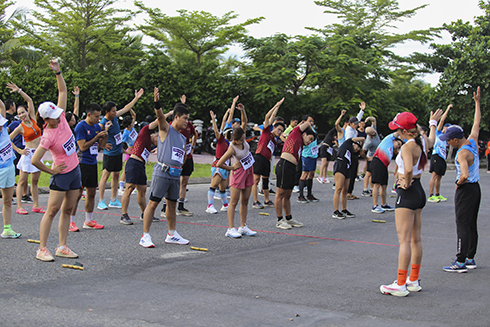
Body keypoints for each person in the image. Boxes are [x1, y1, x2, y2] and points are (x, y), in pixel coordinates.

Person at [380, 109, 442, 296]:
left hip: (408, 193)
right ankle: (413, 280)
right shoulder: (421, 140)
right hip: (419, 191)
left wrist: (405, 182)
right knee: (416, 239)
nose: (396, 133)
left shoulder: (407, 147)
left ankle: (400, 284)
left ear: (406, 132)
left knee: (404, 241)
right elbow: (432, 140)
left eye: (398, 130)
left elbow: (407, 169)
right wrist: (433, 123)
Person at [31, 60, 81, 261]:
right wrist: (51, 171)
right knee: (52, 211)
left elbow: (63, 93)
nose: (59, 117)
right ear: (46, 120)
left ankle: (62, 246)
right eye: (53, 116)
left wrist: (58, 71)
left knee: (68, 210)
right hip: (61, 175)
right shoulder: (48, 136)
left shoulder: (60, 118)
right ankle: (42, 249)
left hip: (75, 170)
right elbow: (35, 160)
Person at [139, 88, 190, 248]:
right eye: (185, 118)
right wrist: (157, 102)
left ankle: (172, 234)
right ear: (176, 117)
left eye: (188, 119)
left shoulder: (182, 137)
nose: (187, 122)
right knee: (153, 203)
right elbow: (160, 116)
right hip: (162, 172)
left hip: (175, 174)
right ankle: (145, 236)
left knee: (172, 204)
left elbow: (181, 156)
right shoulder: (165, 129)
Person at [441, 87, 481, 273]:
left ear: (456, 140)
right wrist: (477, 103)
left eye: (449, 140)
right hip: (476, 189)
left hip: (466, 189)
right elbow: (476, 123)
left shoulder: (462, 154)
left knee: (462, 224)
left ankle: (460, 261)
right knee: (471, 223)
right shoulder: (471, 141)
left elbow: (464, 174)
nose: (448, 143)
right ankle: (471, 257)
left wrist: (458, 184)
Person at [97, 89, 144, 210]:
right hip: (110, 153)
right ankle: (101, 200)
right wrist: (103, 145)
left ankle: (113, 199)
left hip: (118, 152)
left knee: (116, 175)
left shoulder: (115, 117)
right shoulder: (103, 122)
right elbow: (96, 136)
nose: (115, 113)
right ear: (107, 112)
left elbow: (127, 107)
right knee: (105, 176)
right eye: (113, 111)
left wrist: (136, 98)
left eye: (115, 110)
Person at [217, 103, 257, 238]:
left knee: (245, 200)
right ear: (236, 139)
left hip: (248, 170)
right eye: (241, 139)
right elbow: (220, 163)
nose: (243, 141)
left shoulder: (243, 138)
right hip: (238, 173)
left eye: (243, 138)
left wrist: (243, 110)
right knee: (233, 202)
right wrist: (232, 168)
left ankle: (243, 226)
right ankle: (230, 228)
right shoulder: (232, 147)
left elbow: (244, 121)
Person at [7, 82, 45, 215]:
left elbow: (29, 100)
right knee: (22, 181)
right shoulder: (20, 127)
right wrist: (19, 150)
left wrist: (19, 91)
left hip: (37, 154)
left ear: (27, 111)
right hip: (27, 154)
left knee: (35, 181)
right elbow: (8, 139)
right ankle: (19, 206)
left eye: (23, 112)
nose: (22, 115)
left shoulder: (34, 119)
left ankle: (35, 205)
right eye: (19, 114)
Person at [71, 103, 110, 232]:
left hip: (92, 163)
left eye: (100, 117)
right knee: (77, 194)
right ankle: (70, 221)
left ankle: (88, 220)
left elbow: (102, 145)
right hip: (82, 163)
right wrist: (96, 137)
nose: (98, 119)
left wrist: (105, 133)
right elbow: (82, 147)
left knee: (92, 192)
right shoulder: (81, 127)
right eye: (96, 117)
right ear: (89, 115)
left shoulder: (97, 127)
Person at [161, 95, 198, 217]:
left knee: (184, 182)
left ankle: (181, 206)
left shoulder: (189, 125)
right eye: (184, 117)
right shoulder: (171, 126)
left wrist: (191, 148)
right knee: (170, 181)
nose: (186, 120)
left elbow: (195, 135)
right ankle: (164, 207)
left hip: (186, 157)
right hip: (173, 159)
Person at [274, 121, 315, 229]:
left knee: (288, 195)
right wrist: (311, 128)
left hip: (292, 168)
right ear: (304, 134)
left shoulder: (301, 144)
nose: (310, 142)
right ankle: (279, 220)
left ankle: (289, 218)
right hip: (284, 165)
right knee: (280, 194)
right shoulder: (295, 133)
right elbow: (307, 123)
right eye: (310, 138)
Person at [120, 117, 159, 225]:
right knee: (129, 188)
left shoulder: (149, 143)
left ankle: (144, 213)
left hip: (141, 165)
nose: (157, 142)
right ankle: (124, 215)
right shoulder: (144, 132)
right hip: (133, 163)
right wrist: (168, 113)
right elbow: (158, 120)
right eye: (158, 140)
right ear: (155, 135)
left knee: (142, 190)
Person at [251, 98, 285, 209]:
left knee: (265, 180)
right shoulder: (266, 132)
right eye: (278, 129)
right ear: (274, 128)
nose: (279, 132)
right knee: (256, 180)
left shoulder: (275, 141)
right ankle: (255, 201)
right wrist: (277, 105)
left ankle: (267, 200)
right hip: (259, 157)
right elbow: (268, 117)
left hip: (266, 160)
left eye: (281, 131)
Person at [205, 102, 237, 214]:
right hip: (218, 164)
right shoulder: (221, 140)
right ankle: (210, 205)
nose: (233, 135)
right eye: (231, 134)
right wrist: (213, 120)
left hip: (226, 166)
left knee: (223, 188)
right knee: (214, 185)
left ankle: (225, 205)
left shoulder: (231, 144)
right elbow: (216, 130)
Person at [0, 99, 21, 239]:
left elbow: (1, 106)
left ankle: (7, 228)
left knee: (7, 200)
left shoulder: (4, 131)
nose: (1, 127)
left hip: (8, 167)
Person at [370, 132, 403, 214]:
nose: (398, 146)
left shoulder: (392, 149)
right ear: (394, 140)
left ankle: (384, 204)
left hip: (384, 166)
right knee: (376, 185)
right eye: (398, 143)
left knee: (384, 185)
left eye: (399, 146)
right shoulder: (388, 139)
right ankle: (375, 205)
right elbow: (396, 133)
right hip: (378, 162)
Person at [331, 138, 362, 219]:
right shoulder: (347, 144)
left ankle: (344, 209)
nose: (357, 148)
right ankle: (336, 211)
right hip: (340, 164)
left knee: (345, 190)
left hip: (347, 167)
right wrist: (362, 141)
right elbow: (361, 138)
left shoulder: (352, 155)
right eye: (357, 146)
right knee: (338, 188)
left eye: (359, 148)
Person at [428, 105, 452, 203]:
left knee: (439, 177)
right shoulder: (438, 132)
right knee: (434, 176)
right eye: (447, 128)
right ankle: (431, 195)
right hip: (436, 156)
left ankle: (437, 194)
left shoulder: (446, 138)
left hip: (442, 158)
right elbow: (441, 121)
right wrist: (448, 109)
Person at [297, 115, 319, 203]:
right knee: (304, 173)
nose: (311, 123)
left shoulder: (313, 130)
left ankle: (309, 194)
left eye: (312, 121)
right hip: (306, 155)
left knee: (311, 174)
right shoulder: (304, 131)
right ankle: (300, 195)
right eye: (310, 121)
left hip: (313, 154)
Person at [118, 108, 137, 195]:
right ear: (129, 125)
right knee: (126, 169)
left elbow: (134, 115)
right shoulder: (125, 133)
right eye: (132, 122)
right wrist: (126, 152)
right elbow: (120, 144)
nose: (134, 123)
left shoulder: (132, 129)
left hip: (136, 150)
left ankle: (133, 187)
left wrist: (129, 108)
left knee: (135, 169)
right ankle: (121, 188)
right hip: (130, 150)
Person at [361, 118, 379, 197]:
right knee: (368, 173)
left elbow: (374, 120)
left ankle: (372, 189)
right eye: (372, 132)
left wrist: (368, 119)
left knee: (373, 174)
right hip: (371, 157)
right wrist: (367, 158)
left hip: (377, 157)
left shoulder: (374, 132)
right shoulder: (369, 141)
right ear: (369, 134)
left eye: (374, 131)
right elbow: (362, 151)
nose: (374, 132)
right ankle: (365, 189)